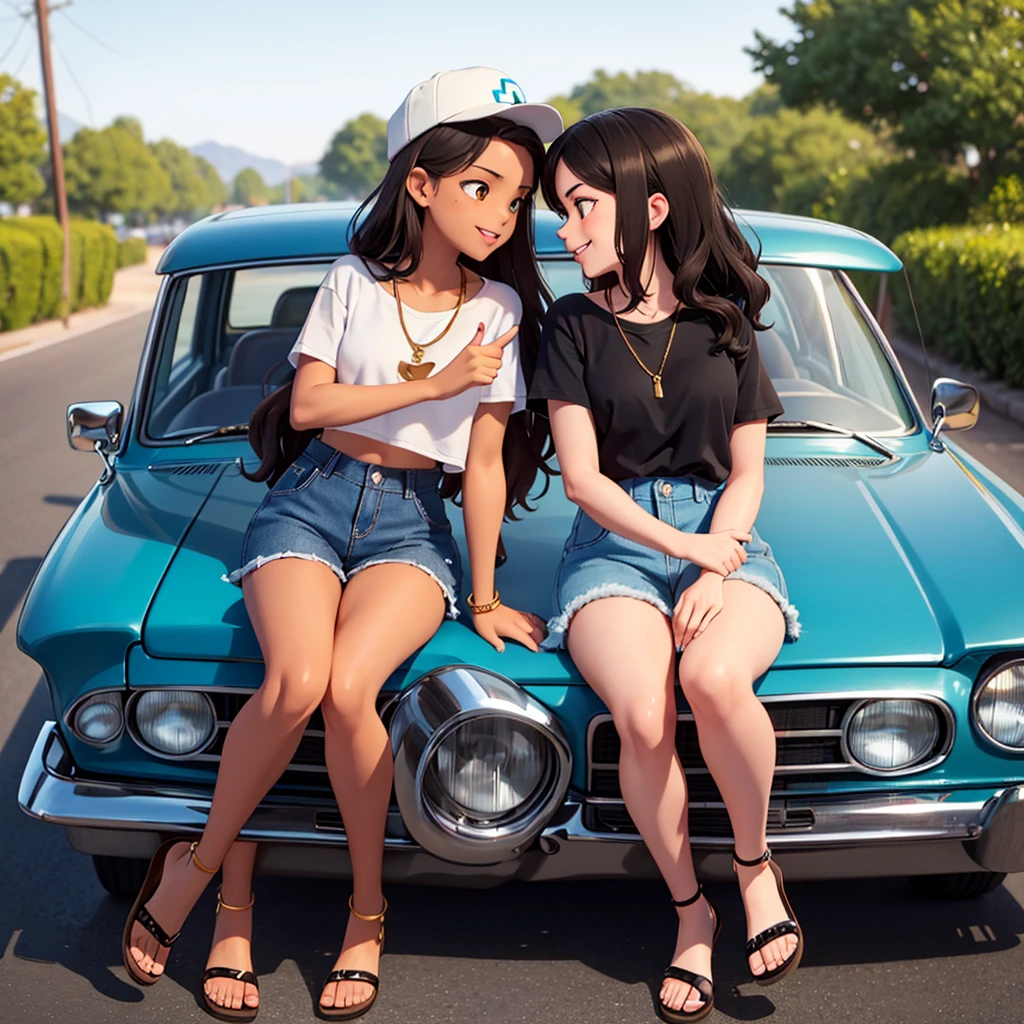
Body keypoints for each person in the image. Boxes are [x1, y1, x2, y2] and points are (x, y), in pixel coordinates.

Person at [121, 67, 561, 1023]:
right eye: (479, 186)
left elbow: (482, 465)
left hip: (412, 520)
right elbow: (313, 406)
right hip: (310, 502)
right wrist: (434, 380)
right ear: (421, 183)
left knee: (353, 689)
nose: (500, 213)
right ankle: (208, 879)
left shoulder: (502, 311)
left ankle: (367, 913)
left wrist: (482, 597)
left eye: (516, 197)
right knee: (293, 684)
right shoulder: (352, 281)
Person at [530, 107, 803, 1023]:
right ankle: (693, 913)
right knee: (644, 710)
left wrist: (717, 566)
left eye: (578, 208)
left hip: (723, 533)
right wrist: (682, 551)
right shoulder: (568, 324)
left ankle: (757, 869)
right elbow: (579, 480)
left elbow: (750, 470)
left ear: (649, 205)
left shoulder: (728, 322)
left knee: (716, 677)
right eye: (558, 211)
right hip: (611, 547)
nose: (563, 232)